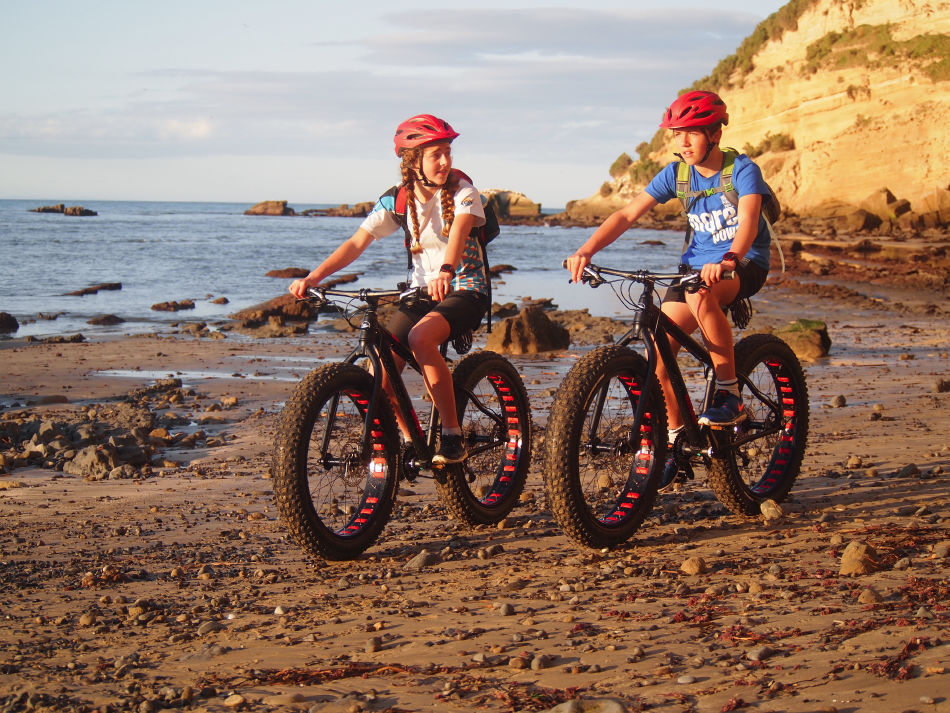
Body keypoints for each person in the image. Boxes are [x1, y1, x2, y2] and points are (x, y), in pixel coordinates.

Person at [564, 90, 771, 487]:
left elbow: (747, 220)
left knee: (701, 295)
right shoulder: (677, 175)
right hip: (693, 270)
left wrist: (729, 259)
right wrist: (586, 249)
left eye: (691, 133)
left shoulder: (742, 170)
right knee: (659, 354)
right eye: (677, 134)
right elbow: (626, 214)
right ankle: (676, 442)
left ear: (714, 131)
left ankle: (729, 395)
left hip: (743, 263)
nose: (683, 142)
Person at [289, 114, 490, 466]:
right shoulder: (396, 201)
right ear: (413, 162)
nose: (445, 161)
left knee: (420, 339)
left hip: (465, 287)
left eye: (447, 152)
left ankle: (453, 435)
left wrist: (446, 269)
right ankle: (413, 442)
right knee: (380, 372)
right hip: (420, 293)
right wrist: (314, 277)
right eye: (435, 154)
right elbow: (356, 242)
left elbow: (458, 233)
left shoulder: (464, 192)